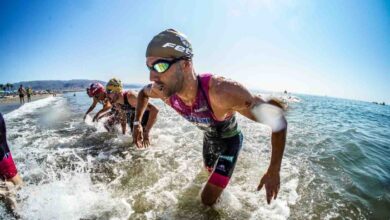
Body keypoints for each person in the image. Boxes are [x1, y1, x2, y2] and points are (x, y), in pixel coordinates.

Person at [133, 29, 288, 206]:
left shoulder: (221, 92)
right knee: (207, 173)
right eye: (149, 67)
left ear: (185, 64)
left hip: (230, 142)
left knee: (206, 200)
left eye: (160, 66)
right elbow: (142, 94)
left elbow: (278, 121)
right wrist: (137, 122)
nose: (152, 76)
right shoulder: (163, 91)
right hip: (209, 139)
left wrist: (274, 170)